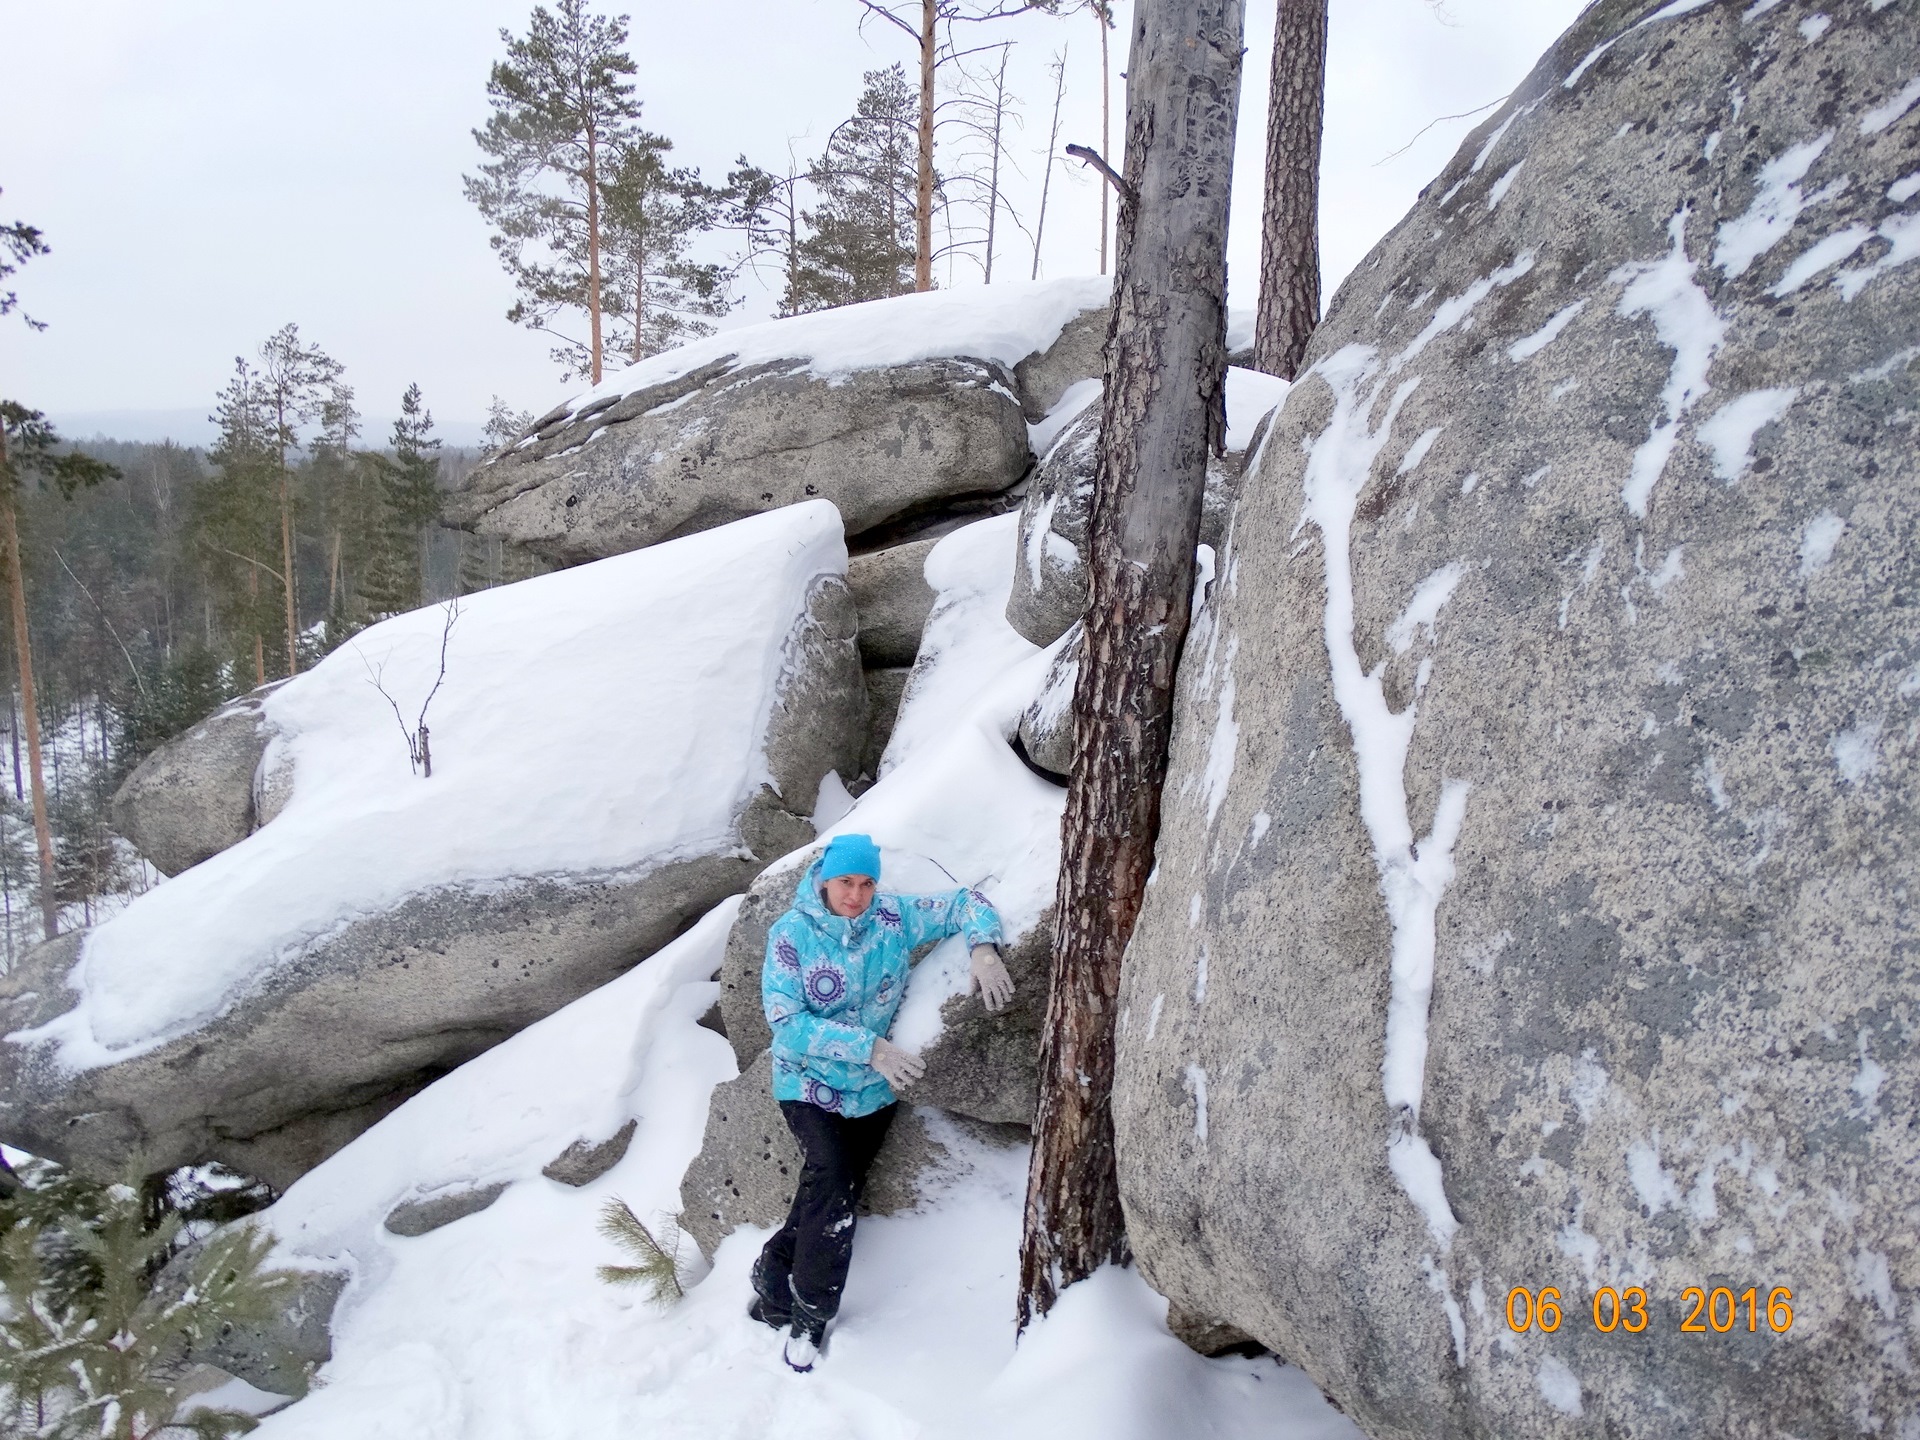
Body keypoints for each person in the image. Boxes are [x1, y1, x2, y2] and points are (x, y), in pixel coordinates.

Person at [752, 832, 1015, 1372]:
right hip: (808, 1083)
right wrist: (866, 1047)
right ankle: (811, 1315)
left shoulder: (893, 918)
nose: (856, 894)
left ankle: (772, 1271)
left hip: (874, 1092)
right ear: (825, 880)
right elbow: (785, 1024)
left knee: (830, 1183)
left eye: (867, 882)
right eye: (846, 881)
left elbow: (965, 901)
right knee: (833, 1181)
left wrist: (983, 946)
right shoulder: (791, 936)